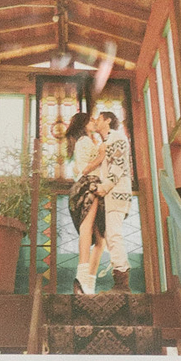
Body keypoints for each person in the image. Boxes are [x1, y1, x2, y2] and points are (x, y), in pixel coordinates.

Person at [65, 111, 110, 298]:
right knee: (90, 230)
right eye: (90, 120)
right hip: (89, 186)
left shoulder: (83, 141)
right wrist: (102, 151)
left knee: (100, 238)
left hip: (95, 186)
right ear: (83, 124)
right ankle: (82, 277)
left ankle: (88, 282)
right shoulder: (84, 141)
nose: (93, 122)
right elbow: (88, 167)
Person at [90, 109, 133, 291]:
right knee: (110, 235)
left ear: (107, 121)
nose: (95, 121)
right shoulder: (107, 141)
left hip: (116, 194)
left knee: (113, 235)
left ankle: (122, 283)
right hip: (111, 196)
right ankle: (120, 279)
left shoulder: (117, 138)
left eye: (98, 119)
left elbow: (119, 166)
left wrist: (103, 187)